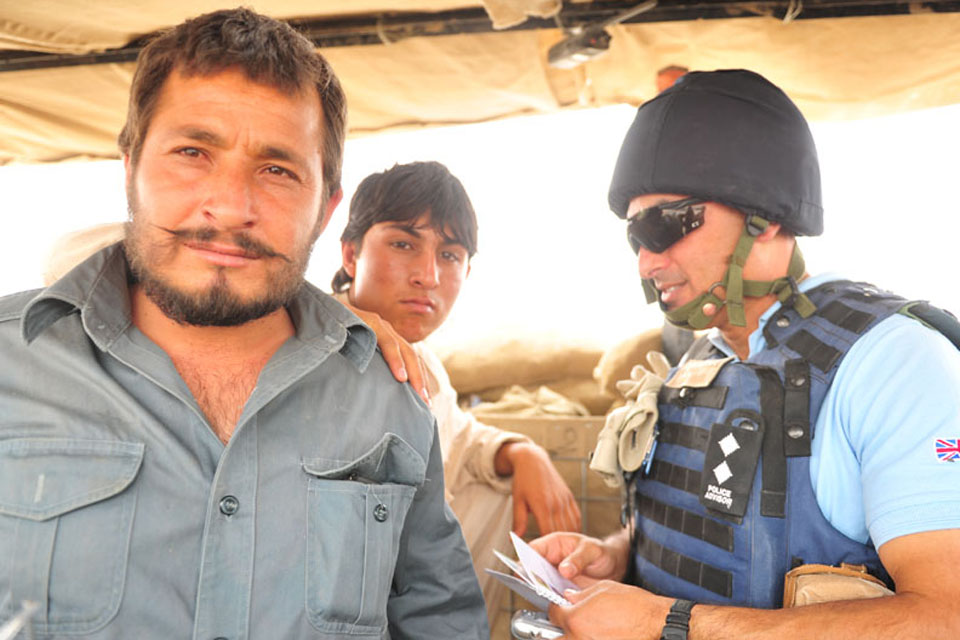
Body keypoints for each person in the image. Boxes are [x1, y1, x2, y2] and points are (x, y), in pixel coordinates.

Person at [0, 8, 487, 638]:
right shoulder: (11, 364)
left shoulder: (390, 399)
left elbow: (439, 622)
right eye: (192, 152)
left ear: (324, 208)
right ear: (130, 168)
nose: (231, 206)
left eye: (278, 169)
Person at [531, 69, 960, 639]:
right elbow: (709, 537)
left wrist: (665, 624)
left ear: (768, 215)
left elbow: (945, 616)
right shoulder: (703, 360)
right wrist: (617, 557)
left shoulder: (896, 363)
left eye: (667, 224)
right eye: (636, 235)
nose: (645, 261)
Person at [330, 161, 581, 624]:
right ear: (350, 255)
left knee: (503, 488)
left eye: (450, 255)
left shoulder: (422, 361)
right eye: (404, 244)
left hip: (413, 594)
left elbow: (457, 437)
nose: (428, 275)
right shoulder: (316, 346)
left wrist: (522, 451)